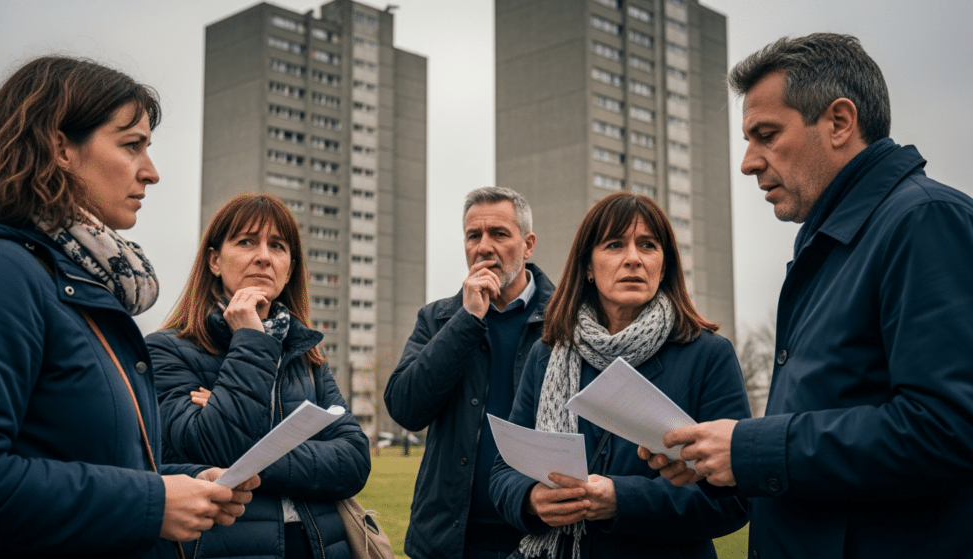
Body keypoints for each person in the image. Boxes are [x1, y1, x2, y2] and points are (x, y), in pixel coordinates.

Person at [641, 33, 973, 558]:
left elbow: (948, 428)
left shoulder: (924, 221)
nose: (748, 162)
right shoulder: (832, 244)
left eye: (766, 135)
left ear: (839, 122)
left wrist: (751, 448)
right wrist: (721, 459)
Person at [0, 56, 256, 558]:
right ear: (59, 148)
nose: (151, 172)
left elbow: (81, 455)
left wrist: (180, 483)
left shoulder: (74, 280)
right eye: (132, 145)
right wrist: (151, 503)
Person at [489, 192, 749, 559]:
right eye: (614, 244)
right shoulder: (547, 353)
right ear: (588, 267)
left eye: (648, 245)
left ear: (664, 266)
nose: (633, 258)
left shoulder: (708, 355)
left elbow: (734, 498)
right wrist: (530, 499)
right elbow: (505, 469)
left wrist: (622, 499)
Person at [147, 193, 371, 559]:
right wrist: (251, 340)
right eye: (246, 242)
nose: (264, 256)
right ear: (215, 260)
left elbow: (354, 462)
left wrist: (253, 445)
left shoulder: (307, 356)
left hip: (319, 548)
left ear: (289, 268)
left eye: (277, 246)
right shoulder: (166, 351)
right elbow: (215, 447)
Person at [384, 186, 555, 559]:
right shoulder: (438, 319)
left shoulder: (565, 319)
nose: (484, 247)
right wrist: (467, 320)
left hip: (540, 537)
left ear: (528, 245)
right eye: (473, 236)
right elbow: (406, 409)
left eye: (499, 234)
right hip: (449, 541)